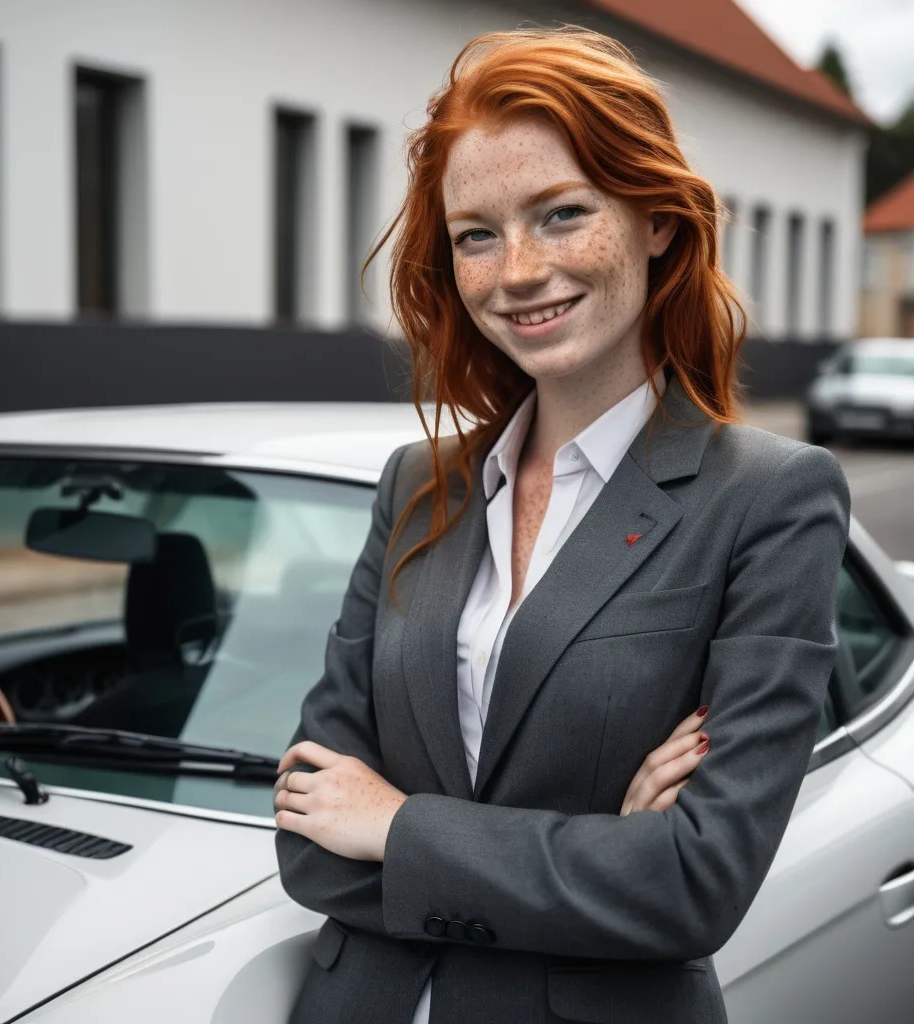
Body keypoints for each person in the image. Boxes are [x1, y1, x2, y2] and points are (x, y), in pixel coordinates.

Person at [272, 25, 849, 1024]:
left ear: (656, 220)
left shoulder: (768, 499)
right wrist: (594, 849)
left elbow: (691, 885)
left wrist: (399, 825)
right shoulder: (417, 484)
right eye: (476, 234)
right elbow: (307, 837)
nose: (516, 272)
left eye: (561, 214)